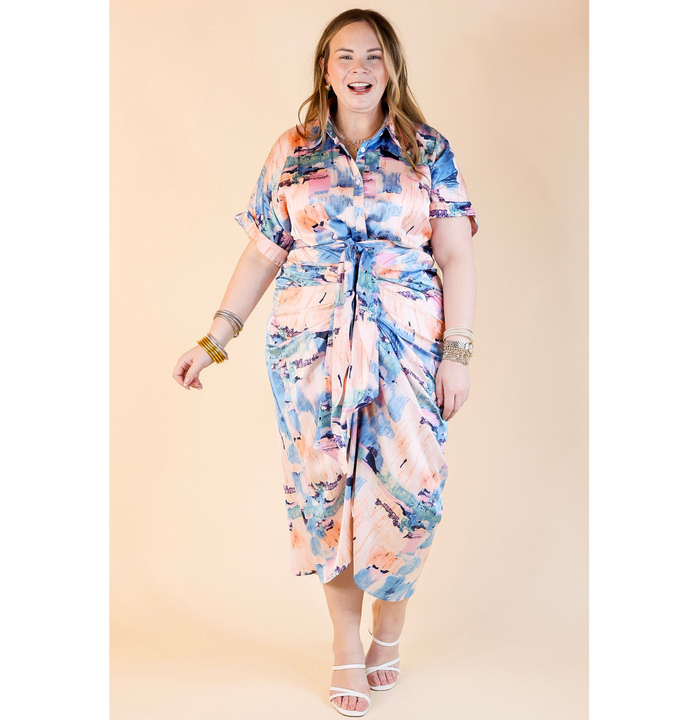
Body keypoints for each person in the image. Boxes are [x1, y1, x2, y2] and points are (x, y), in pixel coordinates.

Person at [172, 8, 478, 717]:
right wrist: (214, 340)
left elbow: (456, 254)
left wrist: (458, 353)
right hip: (309, 349)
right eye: (346, 56)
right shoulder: (293, 150)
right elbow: (263, 252)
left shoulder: (428, 149)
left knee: (412, 495)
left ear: (391, 66)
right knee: (326, 493)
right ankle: (344, 644)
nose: (360, 68)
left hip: (407, 350)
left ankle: (388, 631)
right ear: (326, 68)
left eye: (373, 55)